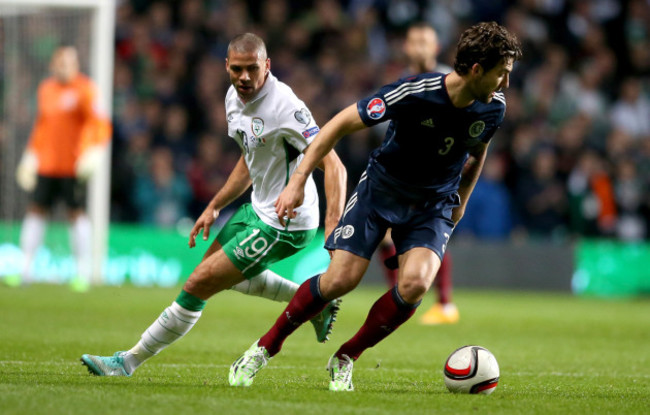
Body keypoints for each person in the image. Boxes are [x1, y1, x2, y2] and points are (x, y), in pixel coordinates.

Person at [229, 21, 521, 391]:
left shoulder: (493, 108)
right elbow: (336, 126)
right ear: (477, 70)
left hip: (433, 203)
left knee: (414, 285)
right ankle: (263, 348)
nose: (506, 84)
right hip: (382, 191)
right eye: (502, 74)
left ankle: (346, 357)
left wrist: (460, 202)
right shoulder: (414, 93)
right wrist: (299, 179)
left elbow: (478, 152)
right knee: (340, 281)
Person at [80, 33, 347, 376]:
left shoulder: (286, 107)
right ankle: (315, 304)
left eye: (253, 69)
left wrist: (332, 233)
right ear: (227, 67)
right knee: (216, 277)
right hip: (258, 208)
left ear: (267, 66)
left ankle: (127, 362)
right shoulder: (233, 99)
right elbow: (251, 158)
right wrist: (215, 205)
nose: (245, 77)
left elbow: (336, 167)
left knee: (197, 284)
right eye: (237, 69)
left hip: (287, 221)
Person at [380, 22, 460, 325]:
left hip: (437, 173)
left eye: (426, 41)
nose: (420, 47)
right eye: (414, 41)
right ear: (406, 47)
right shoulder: (403, 83)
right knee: (385, 235)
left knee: (431, 234)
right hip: (403, 171)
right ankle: (400, 297)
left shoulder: (449, 81)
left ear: (436, 47)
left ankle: (445, 303)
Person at [13, 46, 111, 291]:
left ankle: (82, 273)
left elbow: (100, 123)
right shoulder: (46, 89)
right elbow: (42, 125)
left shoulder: (85, 89)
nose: (64, 67)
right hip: (47, 164)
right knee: (36, 211)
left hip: (73, 166)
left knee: (75, 214)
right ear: (52, 65)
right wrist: (31, 155)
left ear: (76, 64)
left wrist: (94, 152)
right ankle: (25, 270)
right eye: (60, 62)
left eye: (69, 62)